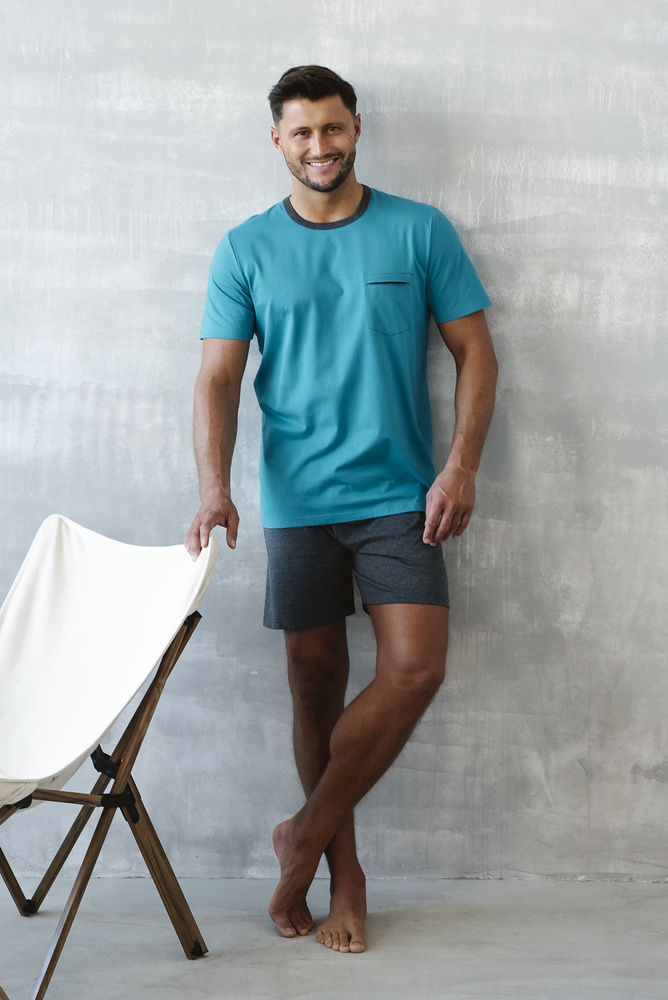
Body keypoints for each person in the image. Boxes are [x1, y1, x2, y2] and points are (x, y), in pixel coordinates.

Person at [185, 65, 498, 954]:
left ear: (356, 128)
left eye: (332, 128)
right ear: (277, 142)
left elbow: (478, 353)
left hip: (403, 495)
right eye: (302, 132)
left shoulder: (419, 230)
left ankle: (303, 837)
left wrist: (461, 467)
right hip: (298, 504)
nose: (319, 146)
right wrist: (214, 487)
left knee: (415, 671)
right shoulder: (244, 247)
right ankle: (343, 874)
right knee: (315, 684)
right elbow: (217, 378)